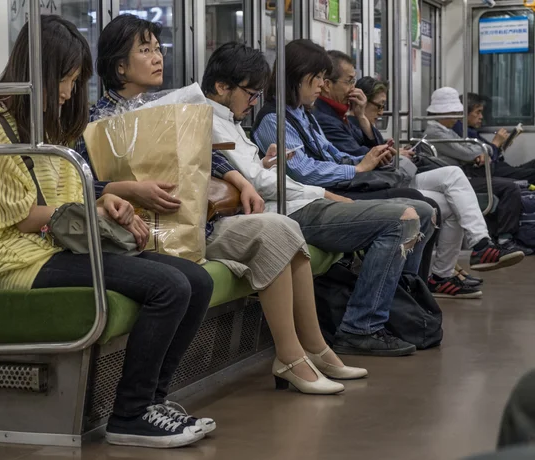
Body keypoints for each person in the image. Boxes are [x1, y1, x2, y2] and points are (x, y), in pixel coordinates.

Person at [0, 15, 216, 449]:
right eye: (67, 79)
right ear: (39, 72)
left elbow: (66, 199)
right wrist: (86, 214)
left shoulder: (47, 126)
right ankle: (129, 414)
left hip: (59, 247)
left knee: (197, 280)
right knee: (168, 287)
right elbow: (17, 217)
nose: (69, 92)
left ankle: (153, 401)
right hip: (19, 260)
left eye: (76, 81)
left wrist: (102, 203)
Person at [76, 14, 366, 398]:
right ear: (119, 65)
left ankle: (311, 348)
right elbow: (83, 184)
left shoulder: (162, 108)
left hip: (195, 221)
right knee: (274, 230)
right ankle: (294, 358)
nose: (158, 57)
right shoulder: (97, 124)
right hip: (152, 231)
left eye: (157, 48)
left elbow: (202, 155)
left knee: (280, 227)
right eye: (144, 50)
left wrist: (237, 178)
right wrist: (129, 188)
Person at [204, 41, 428, 358]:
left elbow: (260, 174)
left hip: (292, 200)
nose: (254, 102)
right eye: (318, 78)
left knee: (417, 208)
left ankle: (386, 315)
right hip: (288, 207)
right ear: (222, 86)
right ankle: (358, 328)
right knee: (404, 217)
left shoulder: (247, 120)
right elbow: (275, 181)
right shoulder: (231, 121)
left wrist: (266, 164)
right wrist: (326, 189)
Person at [322, 74, 525, 297]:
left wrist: (372, 128)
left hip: (392, 175)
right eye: (379, 106)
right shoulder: (339, 121)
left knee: (453, 189)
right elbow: (362, 155)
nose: (381, 112)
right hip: (377, 180)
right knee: (452, 187)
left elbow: (373, 149)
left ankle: (454, 265)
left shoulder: (360, 122)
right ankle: (473, 251)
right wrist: (392, 152)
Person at [423, 87, 528, 253]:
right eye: (456, 113)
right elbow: (467, 152)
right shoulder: (435, 132)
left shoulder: (446, 131)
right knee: (510, 187)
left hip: (464, 175)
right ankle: (503, 239)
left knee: (511, 184)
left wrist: (479, 153)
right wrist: (482, 152)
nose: (458, 118)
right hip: (459, 178)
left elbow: (469, 149)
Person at [454, 93, 535, 184]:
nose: (481, 117)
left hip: (500, 167)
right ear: (464, 113)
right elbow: (483, 157)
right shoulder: (462, 132)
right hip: (492, 171)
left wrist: (501, 145)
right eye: (478, 112)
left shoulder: (471, 130)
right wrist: (496, 143)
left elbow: (492, 153)